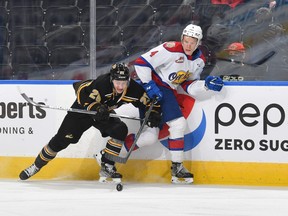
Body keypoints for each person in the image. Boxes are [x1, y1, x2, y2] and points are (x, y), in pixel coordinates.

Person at [19, 63, 161, 183]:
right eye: (118, 82)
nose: (120, 86)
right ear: (112, 79)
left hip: (103, 114)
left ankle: (107, 165)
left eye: (124, 83)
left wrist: (153, 113)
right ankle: (36, 165)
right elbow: (81, 91)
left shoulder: (133, 89)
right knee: (60, 141)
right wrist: (96, 107)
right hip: (82, 112)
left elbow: (148, 102)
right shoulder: (101, 84)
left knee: (120, 129)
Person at [125, 24, 224, 184]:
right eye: (185, 41)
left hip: (166, 91)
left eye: (192, 42)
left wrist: (206, 85)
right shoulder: (170, 49)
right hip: (154, 88)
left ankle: (111, 154)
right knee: (178, 124)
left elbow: (188, 85)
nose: (188, 45)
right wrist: (149, 85)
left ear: (198, 42)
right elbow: (141, 62)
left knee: (150, 137)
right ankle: (177, 167)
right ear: (181, 39)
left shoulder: (199, 61)